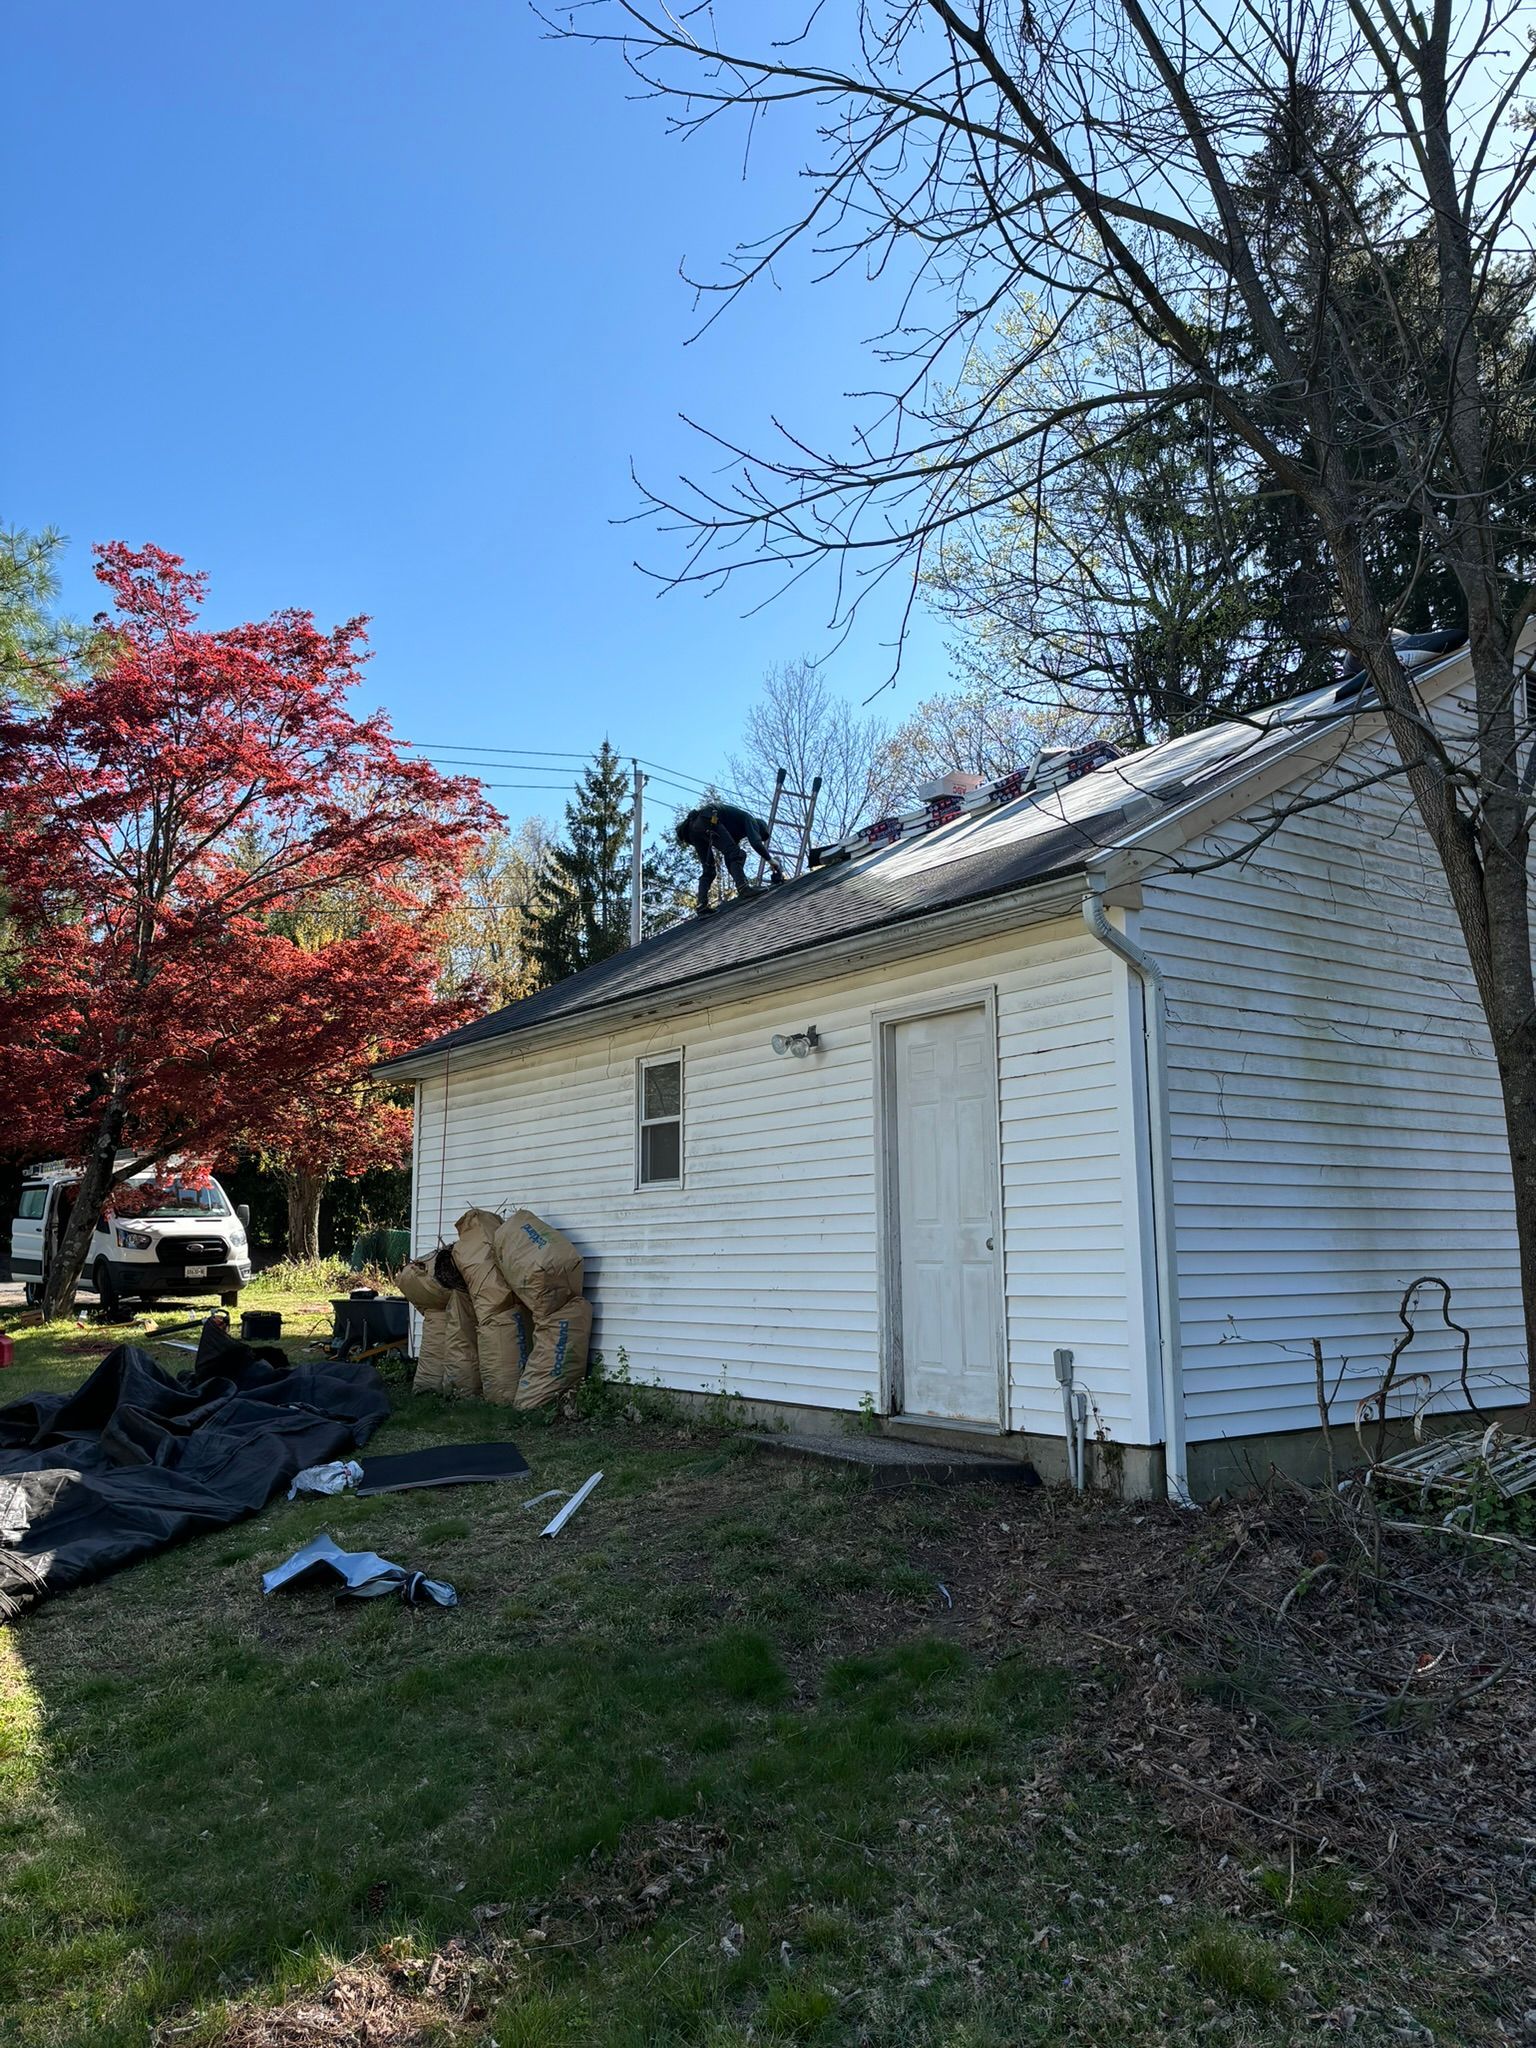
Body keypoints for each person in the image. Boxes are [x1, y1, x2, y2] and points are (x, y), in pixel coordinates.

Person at [674, 802, 785, 914]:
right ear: (759, 828)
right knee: (737, 854)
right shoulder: (751, 820)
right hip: (709, 818)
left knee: (709, 869)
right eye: (759, 835)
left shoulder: (734, 831)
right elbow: (755, 843)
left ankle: (702, 905)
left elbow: (730, 860)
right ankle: (744, 888)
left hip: (694, 830)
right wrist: (771, 860)